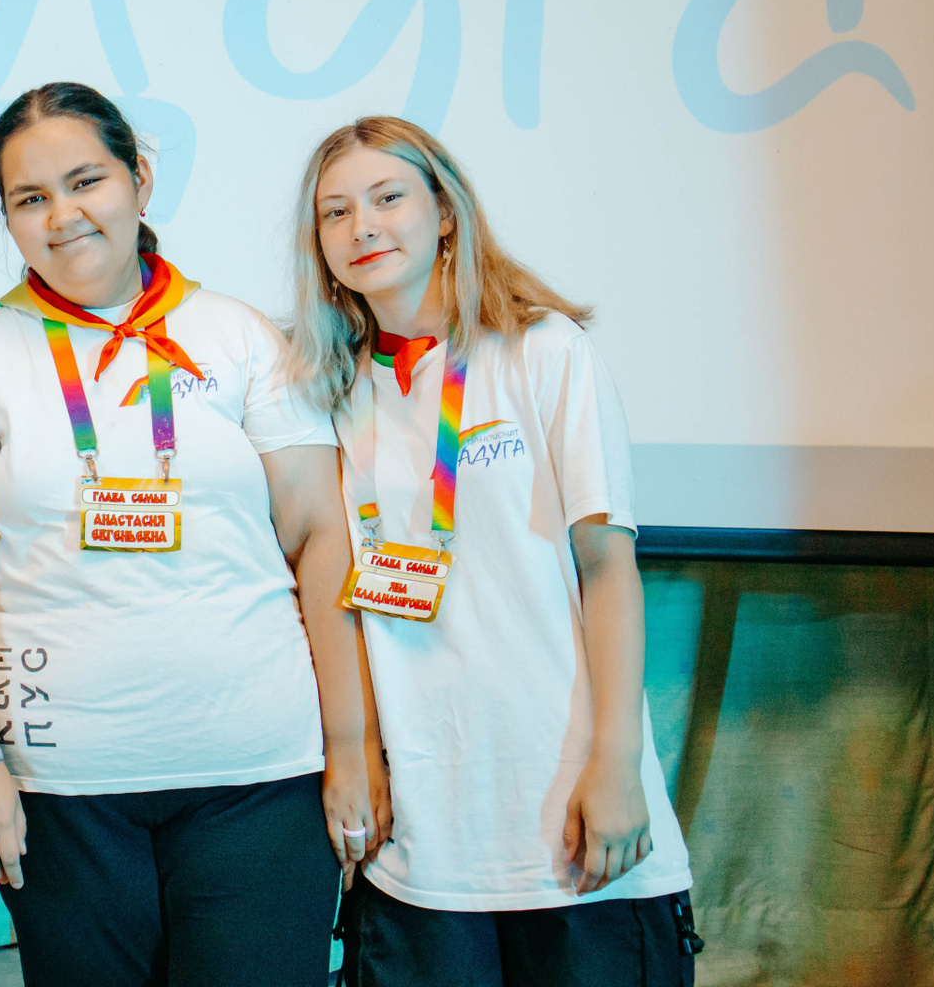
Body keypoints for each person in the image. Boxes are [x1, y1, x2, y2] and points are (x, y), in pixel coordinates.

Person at [0, 82, 372, 987]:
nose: (63, 216)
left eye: (86, 181)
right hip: (61, 794)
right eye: (30, 198)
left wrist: (351, 746)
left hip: (260, 779)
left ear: (140, 180)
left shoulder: (240, 336)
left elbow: (321, 535)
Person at [287, 116, 698, 986]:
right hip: (423, 845)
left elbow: (608, 570)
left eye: (387, 198)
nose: (362, 227)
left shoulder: (543, 351)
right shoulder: (330, 389)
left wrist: (617, 763)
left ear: (445, 213)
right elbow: (336, 594)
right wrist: (358, 752)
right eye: (335, 212)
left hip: (573, 821)